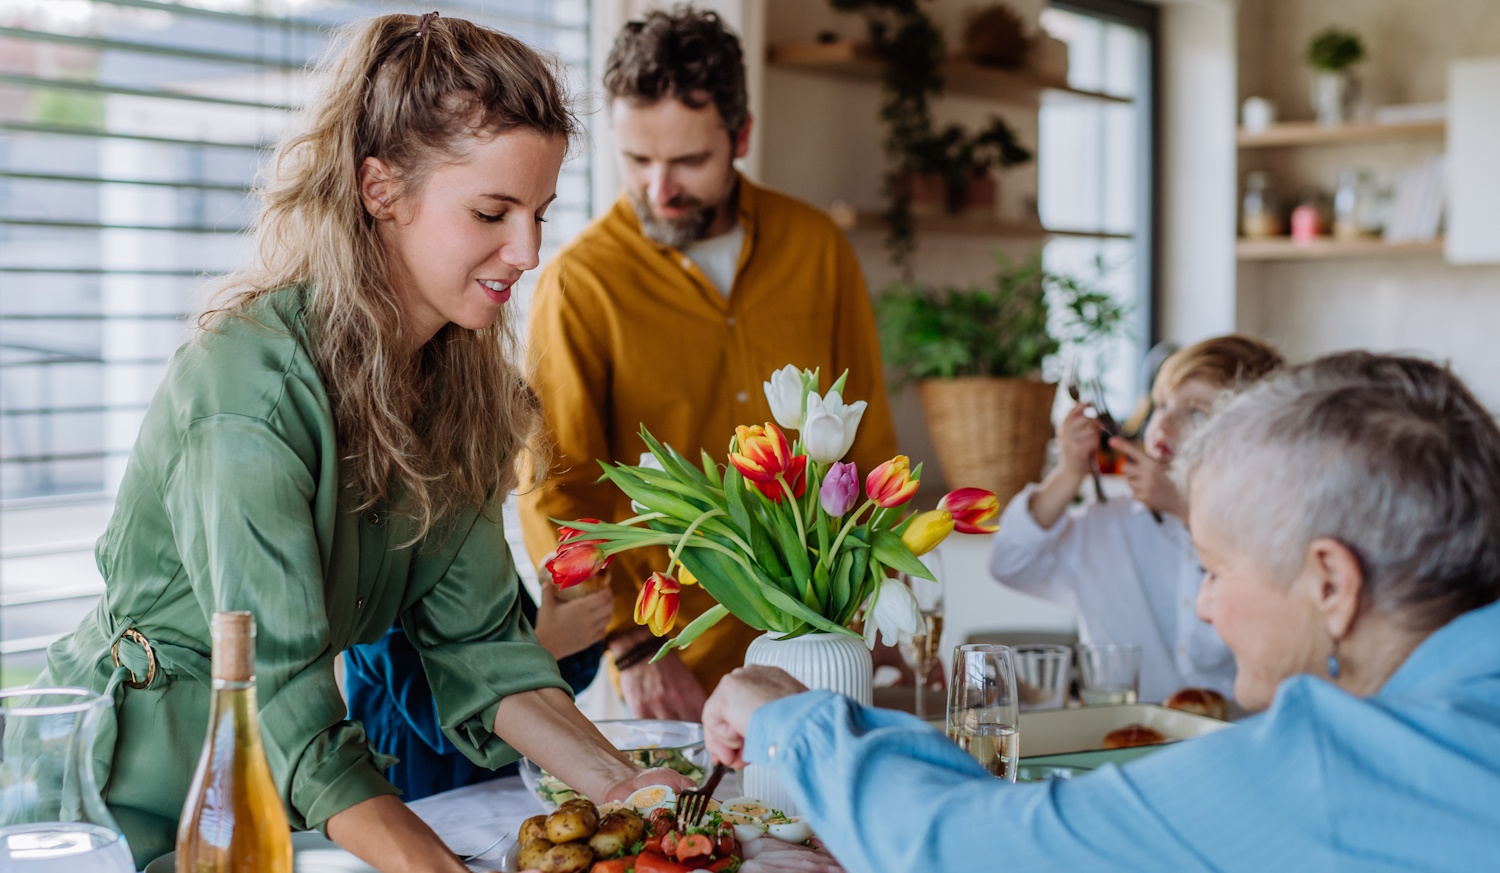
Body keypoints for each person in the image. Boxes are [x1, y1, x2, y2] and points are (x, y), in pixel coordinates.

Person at [30, 14, 687, 871]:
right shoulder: (248, 391)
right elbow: (283, 699)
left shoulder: (453, 388)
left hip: (270, 801)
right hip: (116, 804)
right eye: (491, 212)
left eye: (539, 213)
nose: (528, 250)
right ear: (381, 189)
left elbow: (483, 646)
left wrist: (631, 790)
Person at [703, 352, 1500, 872]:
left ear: (1330, 582)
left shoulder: (1327, 766)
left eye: (1215, 568)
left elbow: (965, 849)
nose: (1206, 604)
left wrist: (791, 716)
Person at [519, 8, 898, 722]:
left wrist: (883, 605)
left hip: (822, 646)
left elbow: (868, 440)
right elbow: (556, 489)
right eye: (637, 160)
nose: (659, 188)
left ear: (741, 136)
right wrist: (629, 644)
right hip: (666, 664)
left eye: (689, 162)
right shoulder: (578, 283)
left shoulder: (818, 249)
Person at [989, 335, 1284, 702]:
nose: (1164, 423)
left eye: (1196, 412)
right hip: (1122, 729)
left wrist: (1185, 509)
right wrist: (1069, 472)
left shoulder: (1272, 537)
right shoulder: (1107, 524)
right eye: (1162, 404)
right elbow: (1009, 563)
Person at [344, 578, 612, 801]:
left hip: (508, 776)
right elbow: (439, 718)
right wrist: (547, 643)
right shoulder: (380, 588)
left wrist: (574, 616)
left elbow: (559, 681)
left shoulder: (487, 567)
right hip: (426, 793)